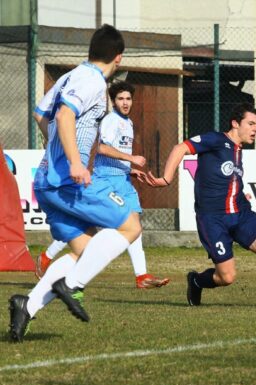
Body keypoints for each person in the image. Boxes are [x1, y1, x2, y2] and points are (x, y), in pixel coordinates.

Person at [9, 24, 143, 342]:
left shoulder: (71, 76)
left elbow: (41, 113)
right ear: (119, 58)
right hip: (66, 181)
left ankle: (26, 306)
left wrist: (54, 150)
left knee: (86, 251)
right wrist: (72, 161)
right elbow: (65, 116)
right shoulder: (92, 81)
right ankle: (72, 285)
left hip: (46, 181)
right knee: (131, 226)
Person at [144, 103, 256, 308]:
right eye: (250, 123)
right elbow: (181, 148)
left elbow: (226, 177)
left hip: (241, 213)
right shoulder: (215, 140)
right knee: (227, 277)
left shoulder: (238, 150)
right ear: (235, 123)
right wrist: (166, 178)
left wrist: (239, 193)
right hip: (213, 219)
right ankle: (196, 281)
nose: (255, 128)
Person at [35, 81, 169, 289]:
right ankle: (48, 255)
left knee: (134, 224)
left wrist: (128, 168)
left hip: (122, 178)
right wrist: (131, 158)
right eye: (120, 99)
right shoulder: (110, 120)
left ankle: (141, 276)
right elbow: (103, 148)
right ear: (113, 102)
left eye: (128, 99)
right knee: (90, 225)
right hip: (107, 179)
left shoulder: (128, 122)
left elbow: (115, 152)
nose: (125, 103)